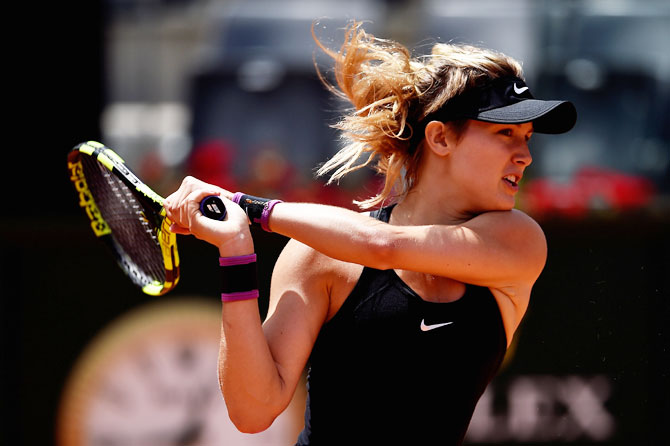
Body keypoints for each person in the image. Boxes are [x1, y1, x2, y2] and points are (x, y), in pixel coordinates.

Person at [164, 21, 576, 445]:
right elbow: (253, 411)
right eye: (505, 133)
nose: (524, 155)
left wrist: (249, 207)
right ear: (440, 138)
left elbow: (383, 246)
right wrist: (235, 251)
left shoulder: (519, 241)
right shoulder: (318, 257)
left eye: (526, 137)